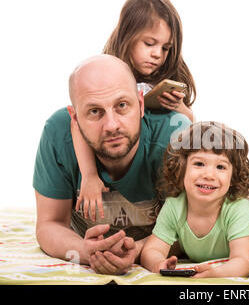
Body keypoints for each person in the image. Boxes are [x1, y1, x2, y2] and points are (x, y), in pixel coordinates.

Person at [33, 54, 191, 275]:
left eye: (122, 105)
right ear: (75, 118)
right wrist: (86, 251)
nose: (112, 125)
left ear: (141, 103)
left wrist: (134, 251)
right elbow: (50, 224)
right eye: (95, 111)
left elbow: (191, 228)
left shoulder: (175, 135)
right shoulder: (57, 132)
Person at [72, 0, 197, 221]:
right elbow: (77, 124)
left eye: (165, 48)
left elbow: (190, 132)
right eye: (149, 44)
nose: (157, 54)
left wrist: (184, 110)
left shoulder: (167, 76)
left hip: (158, 177)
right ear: (127, 36)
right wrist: (89, 175)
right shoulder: (106, 75)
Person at [140, 122, 249, 278]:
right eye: (199, 164)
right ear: (181, 168)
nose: (209, 175)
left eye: (220, 167)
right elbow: (152, 250)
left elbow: (243, 261)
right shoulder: (175, 205)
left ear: (233, 176)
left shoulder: (237, 207)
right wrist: (158, 263)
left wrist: (217, 273)